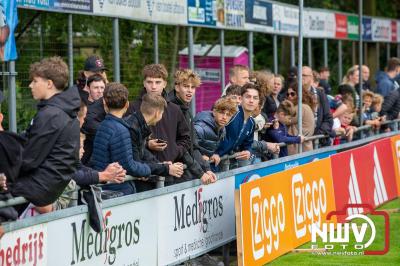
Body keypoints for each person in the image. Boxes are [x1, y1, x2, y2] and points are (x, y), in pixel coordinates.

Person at [5, 57, 81, 209]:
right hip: (50, 184)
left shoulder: (51, 114)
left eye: (35, 81)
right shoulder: (62, 110)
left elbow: (29, 159)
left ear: (49, 84)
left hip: (40, 187)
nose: (30, 85)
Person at [128, 64, 193, 185]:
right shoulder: (133, 107)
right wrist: (147, 144)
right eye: (149, 82)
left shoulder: (174, 109)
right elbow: (127, 140)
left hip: (169, 172)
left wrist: (173, 151)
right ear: (144, 83)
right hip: (143, 175)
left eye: (158, 82)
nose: (153, 87)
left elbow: (186, 138)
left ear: (164, 84)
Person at [92, 82, 152, 195]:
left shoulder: (103, 125)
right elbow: (128, 166)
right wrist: (147, 169)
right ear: (127, 105)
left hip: (106, 188)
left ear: (104, 103)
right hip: (118, 191)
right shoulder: (121, 130)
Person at [124, 94, 184, 192]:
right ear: (157, 113)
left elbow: (142, 153)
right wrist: (166, 168)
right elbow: (136, 164)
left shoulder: (138, 124)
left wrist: (160, 164)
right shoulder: (133, 128)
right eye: (162, 113)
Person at [168, 69, 217, 184]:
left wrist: (206, 169)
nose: (190, 91)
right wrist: (200, 172)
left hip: (184, 166)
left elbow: (192, 145)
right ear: (177, 87)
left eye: (193, 87)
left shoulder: (185, 107)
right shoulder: (170, 108)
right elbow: (181, 147)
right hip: (172, 171)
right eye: (186, 86)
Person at [212, 83, 260, 170]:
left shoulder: (252, 123)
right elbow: (211, 132)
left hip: (224, 161)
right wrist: (213, 153)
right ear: (241, 99)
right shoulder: (231, 114)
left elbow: (248, 144)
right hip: (211, 159)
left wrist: (248, 151)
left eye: (255, 98)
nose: (251, 101)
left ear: (258, 101)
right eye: (248, 97)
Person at [302, 66, 334, 145]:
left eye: (304, 75)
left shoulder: (320, 94)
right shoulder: (292, 93)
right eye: (299, 75)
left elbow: (328, 119)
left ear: (311, 77)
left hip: (319, 141)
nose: (301, 77)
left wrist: (316, 135)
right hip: (300, 141)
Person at [285, 82, 315, 154]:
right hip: (304, 147)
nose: (289, 96)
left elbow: (285, 120)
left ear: (299, 94)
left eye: (292, 94)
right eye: (287, 94)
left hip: (299, 149)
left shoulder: (300, 107)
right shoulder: (305, 106)